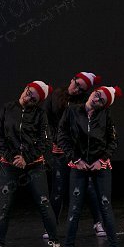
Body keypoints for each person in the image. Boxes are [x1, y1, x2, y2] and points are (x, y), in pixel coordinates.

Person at [0, 81, 65, 247]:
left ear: (37, 102)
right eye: (29, 93)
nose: (28, 98)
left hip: (34, 165)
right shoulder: (7, 109)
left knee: (44, 202)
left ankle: (55, 243)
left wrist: (26, 158)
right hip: (9, 164)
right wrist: (11, 156)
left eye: (33, 99)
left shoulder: (40, 115)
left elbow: (45, 141)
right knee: (4, 205)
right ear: (26, 88)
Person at [53, 86, 124, 247]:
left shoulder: (105, 115)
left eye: (102, 100)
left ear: (104, 105)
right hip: (79, 165)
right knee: (74, 208)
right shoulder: (71, 111)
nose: (97, 99)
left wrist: (102, 159)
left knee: (105, 205)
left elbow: (113, 140)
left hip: (99, 165)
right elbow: (62, 136)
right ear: (93, 92)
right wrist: (75, 158)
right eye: (97, 95)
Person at [44, 71, 105, 237]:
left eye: (81, 89)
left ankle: (98, 222)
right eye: (76, 84)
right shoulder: (56, 95)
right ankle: (51, 225)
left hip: (79, 151)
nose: (76, 89)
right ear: (73, 79)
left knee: (89, 188)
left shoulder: (84, 101)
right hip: (60, 150)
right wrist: (54, 141)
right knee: (58, 189)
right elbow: (47, 120)